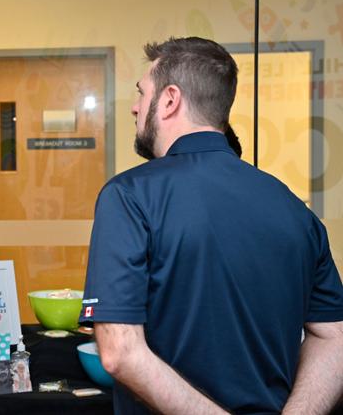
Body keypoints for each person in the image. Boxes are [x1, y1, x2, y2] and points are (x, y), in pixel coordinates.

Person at [80, 36, 343, 414]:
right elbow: (334, 336)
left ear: (170, 100)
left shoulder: (129, 195)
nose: (136, 108)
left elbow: (119, 352)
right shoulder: (293, 208)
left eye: (142, 93)